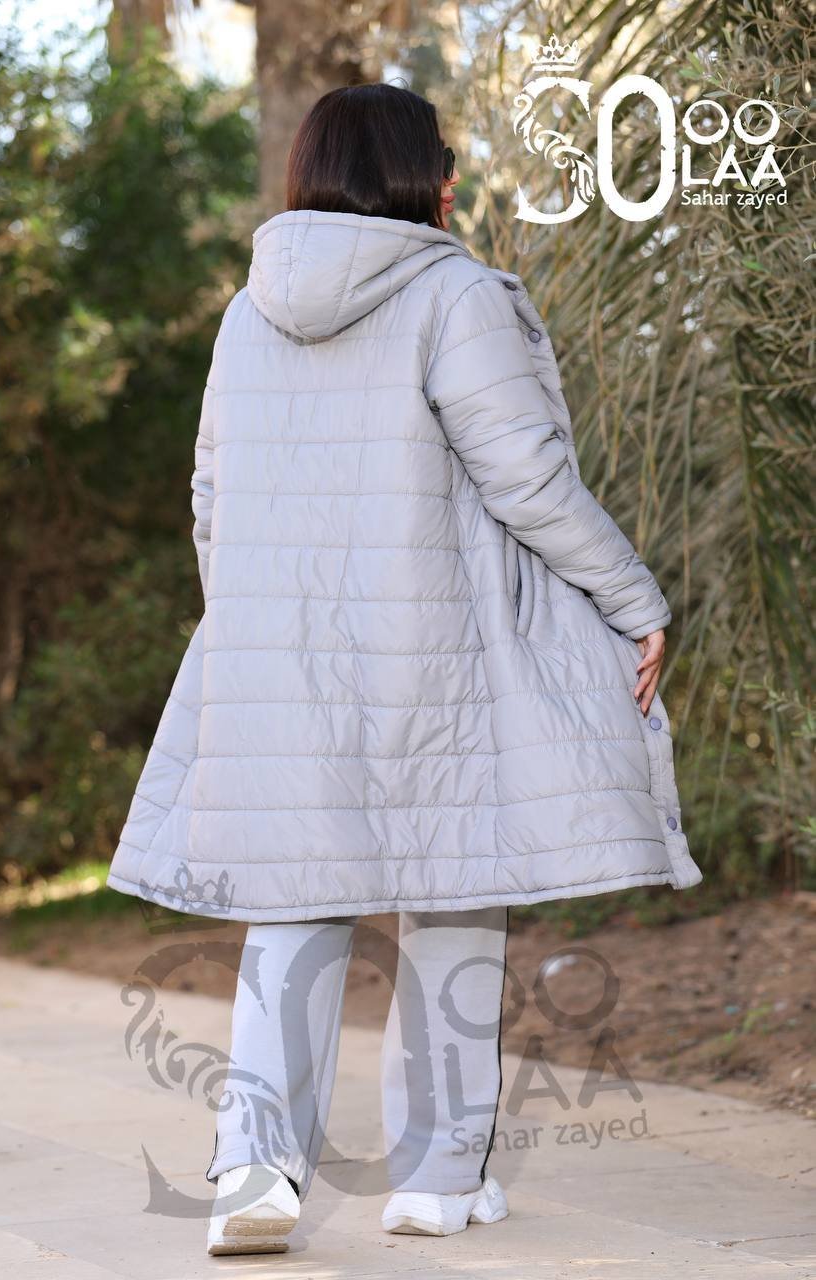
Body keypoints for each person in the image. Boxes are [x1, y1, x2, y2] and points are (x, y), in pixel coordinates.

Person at [105, 82, 702, 1256]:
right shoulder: (453, 295)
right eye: (443, 163)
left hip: (285, 656)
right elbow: (527, 479)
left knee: (293, 905)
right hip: (438, 653)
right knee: (453, 895)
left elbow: (212, 495)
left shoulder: (247, 314)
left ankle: (254, 1168)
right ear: (420, 179)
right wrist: (634, 597)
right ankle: (433, 1178)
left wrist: (253, 618)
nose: (453, 183)